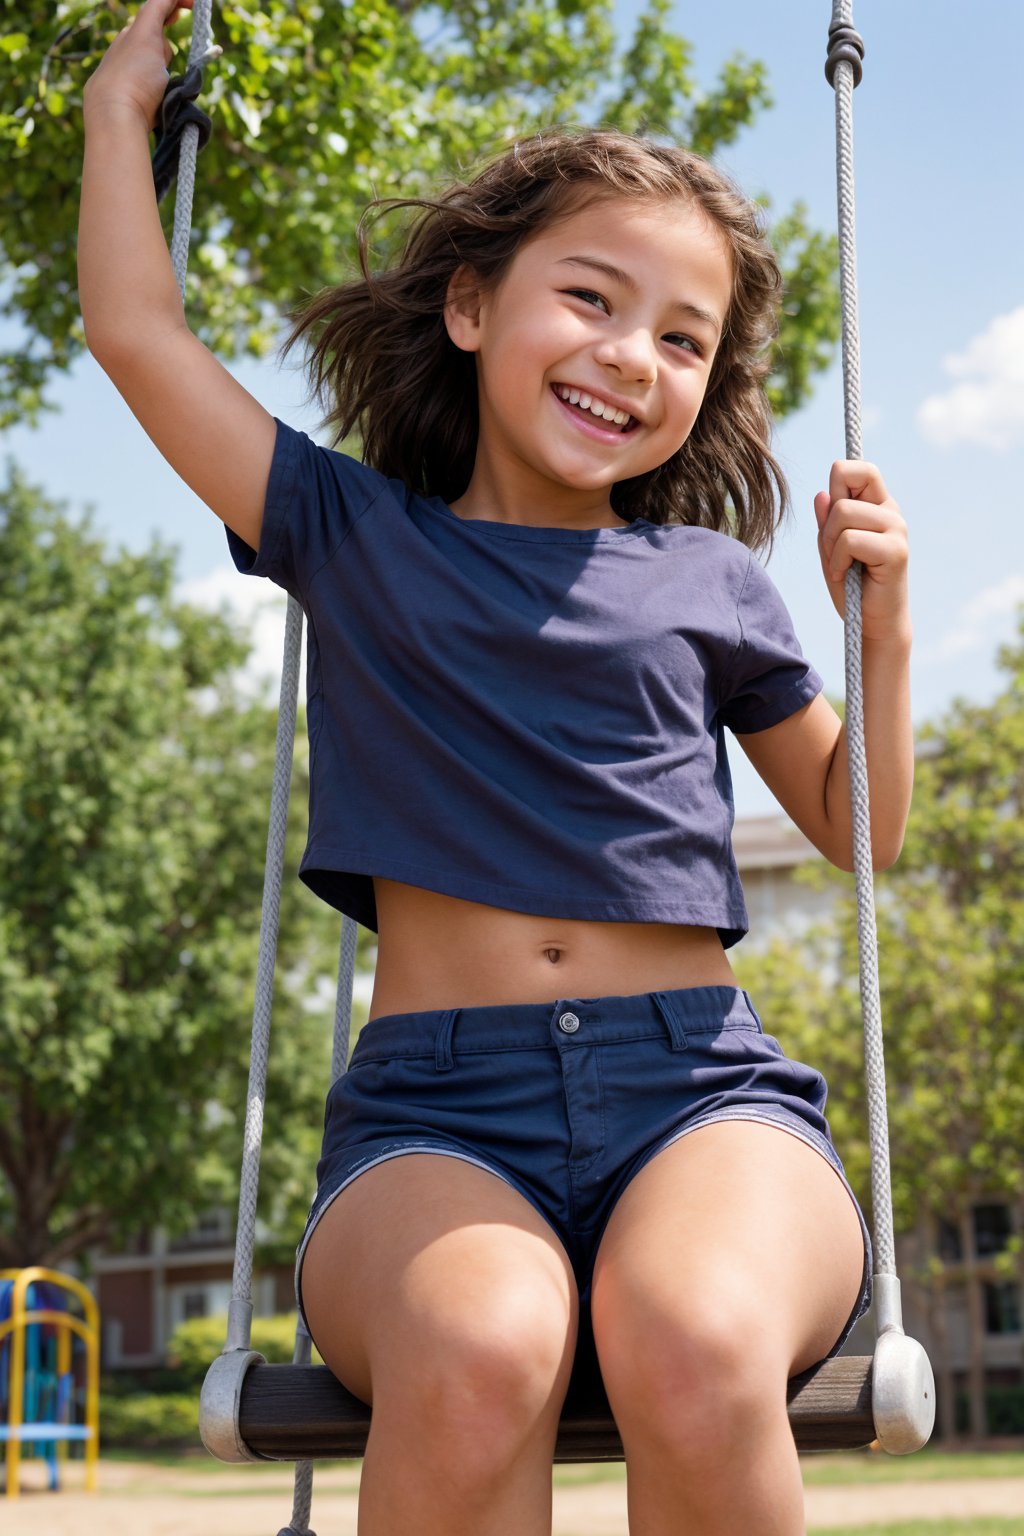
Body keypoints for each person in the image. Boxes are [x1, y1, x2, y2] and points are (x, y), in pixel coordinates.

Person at [79, 2, 912, 1531]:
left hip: (702, 1093)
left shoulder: (710, 578)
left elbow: (858, 834)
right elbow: (138, 335)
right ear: (471, 306)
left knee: (698, 1342)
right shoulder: (348, 531)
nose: (629, 357)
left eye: (683, 338)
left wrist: (887, 630)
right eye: (588, 298)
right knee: (477, 1349)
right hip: (434, 1119)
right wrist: (121, 115)